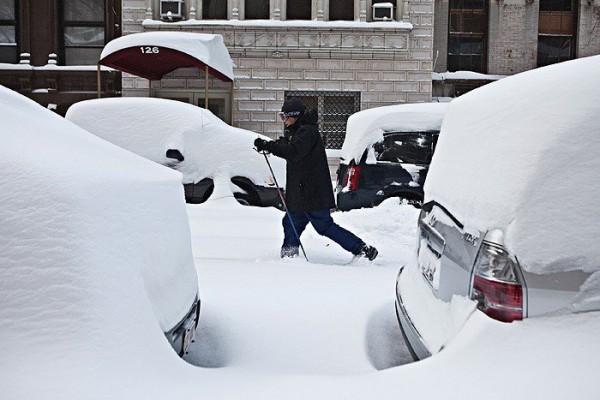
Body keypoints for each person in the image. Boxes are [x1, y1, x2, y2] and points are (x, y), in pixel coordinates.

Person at [254, 98, 378, 261]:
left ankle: (362, 249)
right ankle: (289, 257)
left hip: (312, 193)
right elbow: (292, 148)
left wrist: (269, 146)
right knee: (291, 223)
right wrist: (276, 144)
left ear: (295, 116)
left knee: (323, 226)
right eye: (281, 117)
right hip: (302, 193)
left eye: (285, 117)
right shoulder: (301, 132)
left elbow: (294, 152)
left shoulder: (307, 132)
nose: (284, 121)